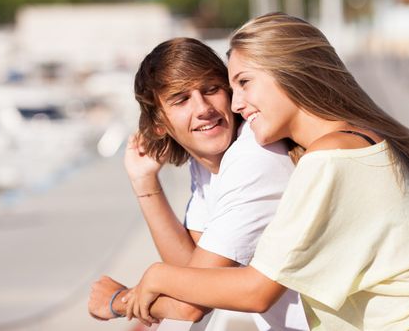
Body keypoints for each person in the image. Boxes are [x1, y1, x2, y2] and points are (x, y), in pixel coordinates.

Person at [125, 13, 409, 330]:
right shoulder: (350, 143)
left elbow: (255, 291)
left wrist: (153, 278)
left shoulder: (330, 157)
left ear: (289, 74)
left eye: (244, 83)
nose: (235, 105)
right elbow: (199, 280)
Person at [88, 37, 309, 330]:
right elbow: (190, 271)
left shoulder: (255, 156)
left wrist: (117, 300)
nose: (203, 108)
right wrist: (145, 182)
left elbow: (192, 305)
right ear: (159, 124)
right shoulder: (207, 163)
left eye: (211, 89)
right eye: (181, 99)